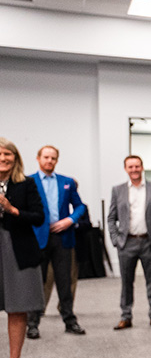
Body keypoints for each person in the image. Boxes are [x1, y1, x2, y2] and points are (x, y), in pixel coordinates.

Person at [27, 145, 87, 338]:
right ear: (38, 158)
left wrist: (69, 220)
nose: (49, 161)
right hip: (37, 239)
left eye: (53, 158)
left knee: (65, 281)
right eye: (46, 157)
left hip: (62, 237)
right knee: (38, 282)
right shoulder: (28, 182)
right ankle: (32, 324)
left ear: (57, 160)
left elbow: (80, 206)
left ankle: (70, 320)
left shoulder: (67, 182)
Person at [0, 138, 46, 358]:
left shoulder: (25, 184)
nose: (4, 158)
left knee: (17, 308)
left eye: (9, 154)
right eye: (0, 154)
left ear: (15, 159)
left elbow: (39, 217)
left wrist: (12, 208)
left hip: (16, 249)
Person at [107, 155, 151, 329]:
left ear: (142, 167)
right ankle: (126, 316)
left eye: (137, 166)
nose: (134, 169)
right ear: (126, 169)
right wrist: (116, 239)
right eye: (130, 167)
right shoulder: (118, 190)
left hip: (150, 242)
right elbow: (111, 218)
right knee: (126, 282)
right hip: (127, 243)